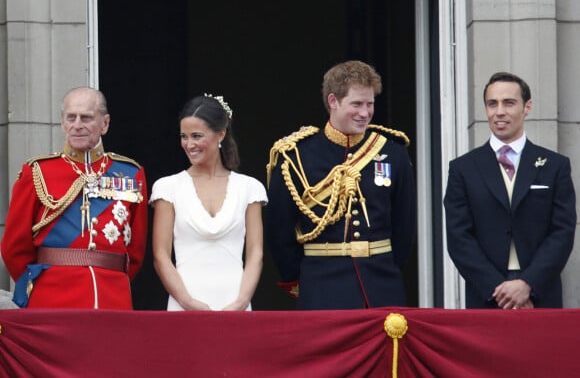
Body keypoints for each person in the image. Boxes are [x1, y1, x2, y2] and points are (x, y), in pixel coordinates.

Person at [266, 60, 416, 309]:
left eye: (370, 104)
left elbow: (405, 227)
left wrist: (387, 267)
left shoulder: (393, 151)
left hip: (380, 287)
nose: (365, 113)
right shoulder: (296, 156)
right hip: (321, 288)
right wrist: (301, 279)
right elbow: (279, 231)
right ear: (333, 101)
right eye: (356, 104)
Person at [1, 87, 148, 309]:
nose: (77, 125)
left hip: (112, 295)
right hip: (51, 296)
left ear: (105, 124)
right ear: (62, 123)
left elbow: (135, 251)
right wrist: (37, 287)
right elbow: (14, 247)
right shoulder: (38, 171)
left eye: (86, 118)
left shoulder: (130, 173)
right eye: (71, 117)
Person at [444, 71, 576, 309]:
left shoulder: (555, 165)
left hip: (540, 294)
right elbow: (459, 238)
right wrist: (499, 290)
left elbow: (562, 232)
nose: (499, 112)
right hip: (486, 295)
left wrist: (528, 284)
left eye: (509, 103)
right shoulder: (463, 169)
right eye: (492, 104)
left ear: (527, 107)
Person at [150, 94, 267, 311]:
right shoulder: (167, 187)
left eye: (196, 136)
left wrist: (241, 303)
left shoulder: (250, 188)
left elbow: (255, 253)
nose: (189, 144)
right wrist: (188, 303)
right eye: (184, 136)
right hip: (184, 305)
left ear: (220, 134)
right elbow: (161, 256)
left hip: (236, 305)